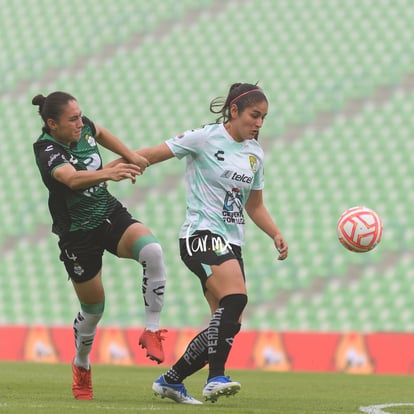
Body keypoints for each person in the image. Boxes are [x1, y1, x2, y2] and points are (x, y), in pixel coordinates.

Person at [132, 83, 288, 404]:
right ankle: (215, 377)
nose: (259, 124)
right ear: (234, 111)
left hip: (232, 244)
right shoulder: (205, 138)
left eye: (264, 118)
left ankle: (171, 381)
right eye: (254, 116)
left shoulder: (254, 154)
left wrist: (275, 233)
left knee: (229, 323)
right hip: (200, 235)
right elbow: (154, 153)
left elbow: (254, 205)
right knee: (236, 298)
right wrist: (119, 166)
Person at [32, 91, 168, 400]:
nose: (81, 123)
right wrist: (110, 172)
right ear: (53, 124)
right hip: (77, 234)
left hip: (107, 213)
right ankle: (81, 364)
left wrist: (131, 155)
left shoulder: (85, 127)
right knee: (93, 311)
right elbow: (72, 180)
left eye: (81, 115)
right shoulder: (46, 150)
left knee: (152, 251)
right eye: (73, 119)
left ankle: (152, 329)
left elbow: (101, 132)